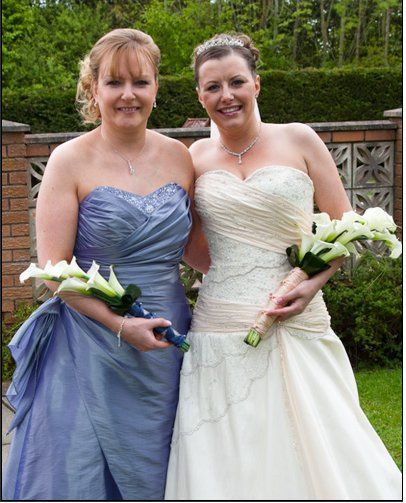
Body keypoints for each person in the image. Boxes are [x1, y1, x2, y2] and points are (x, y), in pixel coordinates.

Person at [165, 33, 402, 500]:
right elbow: (192, 247)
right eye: (213, 87)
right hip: (219, 324)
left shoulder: (299, 139)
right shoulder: (193, 158)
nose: (226, 95)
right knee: (229, 449)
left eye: (236, 81)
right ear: (199, 96)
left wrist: (310, 283)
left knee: (320, 437)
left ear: (256, 83)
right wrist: (233, 273)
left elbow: (343, 228)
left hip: (297, 317)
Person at [3, 28, 195, 501]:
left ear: (156, 88)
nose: (129, 94)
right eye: (114, 82)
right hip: (89, 344)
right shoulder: (68, 161)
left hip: (168, 342)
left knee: (169, 461)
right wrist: (119, 325)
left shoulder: (181, 157)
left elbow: (200, 250)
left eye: (140, 82)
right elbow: (54, 272)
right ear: (93, 89)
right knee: (84, 470)